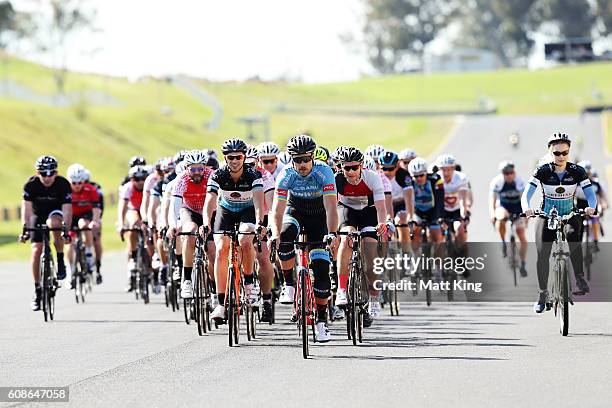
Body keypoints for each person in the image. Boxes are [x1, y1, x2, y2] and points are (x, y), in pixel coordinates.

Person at [269, 134, 338, 342]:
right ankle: (288, 284)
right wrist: (274, 234)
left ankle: (321, 323)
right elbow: (277, 211)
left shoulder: (324, 172)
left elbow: (332, 207)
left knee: (322, 272)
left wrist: (332, 233)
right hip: (296, 209)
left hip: (319, 215)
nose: (302, 164)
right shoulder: (286, 175)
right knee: (285, 233)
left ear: (312, 158)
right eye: (297, 160)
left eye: (306, 159)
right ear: (291, 159)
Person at [521, 132, 596, 313]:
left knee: (572, 236)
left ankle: (579, 278)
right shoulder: (542, 170)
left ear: (569, 152)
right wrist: (527, 208)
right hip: (546, 215)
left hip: (570, 214)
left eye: (565, 153)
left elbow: (591, 195)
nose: (561, 157)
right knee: (542, 253)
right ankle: (542, 294)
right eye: (557, 153)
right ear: (550, 152)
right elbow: (526, 194)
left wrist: (591, 207)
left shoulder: (577, 171)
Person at [201, 138, 268, 323]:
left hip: (247, 211)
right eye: (231, 157)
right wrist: (206, 222)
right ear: (225, 158)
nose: (235, 161)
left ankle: (248, 284)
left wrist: (260, 222)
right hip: (226, 211)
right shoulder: (218, 174)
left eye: (238, 157)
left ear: (244, 157)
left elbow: (258, 203)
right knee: (222, 249)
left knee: (246, 238)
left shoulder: (253, 174)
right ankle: (221, 304)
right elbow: (210, 201)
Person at [334, 147, 390, 327]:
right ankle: (342, 289)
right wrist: (332, 230)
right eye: (346, 167)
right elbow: (332, 206)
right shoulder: (337, 179)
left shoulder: (372, 178)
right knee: (346, 239)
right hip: (347, 211)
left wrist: (382, 223)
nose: (350, 171)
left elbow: (381, 208)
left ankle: (374, 297)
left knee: (369, 248)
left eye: (354, 167)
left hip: (369, 212)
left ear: (361, 166)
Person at [20, 156, 72, 311]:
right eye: (44, 173)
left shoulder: (63, 184)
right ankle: (37, 291)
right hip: (38, 214)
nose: (48, 177)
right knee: (36, 250)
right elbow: (27, 210)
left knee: (54, 224)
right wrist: (25, 229)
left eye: (51, 173)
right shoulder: (30, 185)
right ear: (37, 173)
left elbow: (67, 210)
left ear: (56, 172)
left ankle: (61, 258)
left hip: (55, 213)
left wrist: (66, 230)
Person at [167, 150, 214, 298]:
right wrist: (172, 225)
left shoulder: (212, 176)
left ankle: (214, 289)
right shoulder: (181, 180)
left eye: (200, 168)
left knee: (212, 250)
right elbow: (174, 206)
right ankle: (187, 279)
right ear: (186, 168)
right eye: (193, 169)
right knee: (189, 232)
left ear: (205, 167)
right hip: (190, 211)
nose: (197, 172)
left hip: (211, 212)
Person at [489, 160, 528, 276]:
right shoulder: (497, 182)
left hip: (517, 207)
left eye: (511, 172)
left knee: (521, 235)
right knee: (499, 218)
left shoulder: (519, 181)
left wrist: (526, 215)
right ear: (502, 174)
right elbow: (492, 200)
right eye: (506, 173)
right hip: (504, 206)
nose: (509, 175)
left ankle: (523, 263)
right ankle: (503, 242)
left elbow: (524, 199)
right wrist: (492, 214)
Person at [66, 164, 102, 287]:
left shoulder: (91, 190)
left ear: (84, 181)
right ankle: (70, 270)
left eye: (80, 182)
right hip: (70, 215)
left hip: (85, 214)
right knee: (69, 243)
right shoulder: (65, 190)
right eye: (74, 183)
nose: (77, 186)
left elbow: (96, 208)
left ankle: (88, 252)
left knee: (84, 225)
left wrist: (95, 221)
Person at [117, 165, 148, 291]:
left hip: (146, 209)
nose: (140, 182)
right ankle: (134, 258)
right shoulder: (127, 188)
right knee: (133, 224)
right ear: (131, 179)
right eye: (137, 179)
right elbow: (122, 207)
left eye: (143, 178)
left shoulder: (149, 186)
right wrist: (121, 223)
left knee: (149, 228)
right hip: (133, 209)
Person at [436, 154, 471, 247]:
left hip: (457, 209)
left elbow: (463, 200)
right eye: (443, 170)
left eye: (449, 169)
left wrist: (464, 215)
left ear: (453, 169)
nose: (446, 173)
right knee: (436, 234)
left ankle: (462, 253)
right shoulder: (436, 178)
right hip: (442, 209)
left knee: (460, 229)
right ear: (439, 169)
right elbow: (436, 199)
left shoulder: (461, 178)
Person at [575, 160, 608, 249]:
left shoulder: (596, 184)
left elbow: (602, 196)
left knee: (595, 220)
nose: (587, 175)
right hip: (580, 207)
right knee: (578, 225)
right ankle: (578, 242)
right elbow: (572, 196)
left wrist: (604, 204)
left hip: (593, 207)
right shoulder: (576, 185)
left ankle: (595, 241)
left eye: (588, 172)